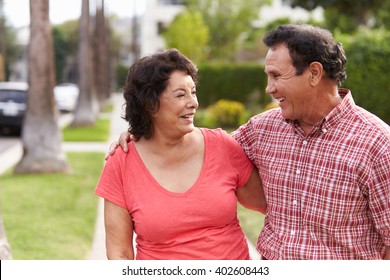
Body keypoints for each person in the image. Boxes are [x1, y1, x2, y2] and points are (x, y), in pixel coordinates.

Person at [109, 24, 390, 260]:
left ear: (315, 73)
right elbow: (203, 152)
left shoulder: (376, 144)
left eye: (277, 76)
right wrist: (144, 134)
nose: (269, 88)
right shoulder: (262, 130)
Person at [96, 49, 266, 260]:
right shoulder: (122, 162)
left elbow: (270, 205)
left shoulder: (222, 146)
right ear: (150, 104)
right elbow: (119, 253)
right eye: (180, 95)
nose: (193, 102)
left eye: (193, 92)